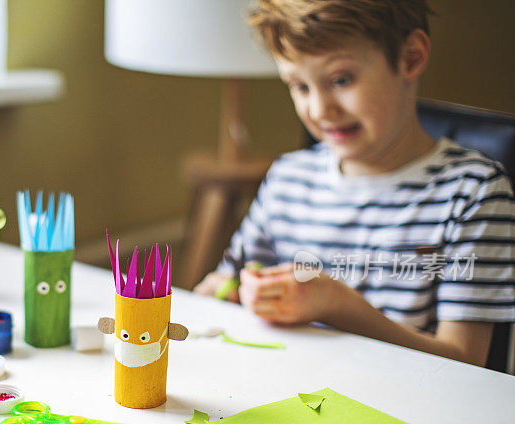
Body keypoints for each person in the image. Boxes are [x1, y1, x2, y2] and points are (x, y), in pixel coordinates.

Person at [194, 0, 515, 367]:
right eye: (300, 86)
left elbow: (466, 364)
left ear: (410, 57)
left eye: (341, 80)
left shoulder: (473, 193)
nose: (319, 109)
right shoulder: (288, 179)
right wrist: (228, 292)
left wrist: (337, 306)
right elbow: (227, 280)